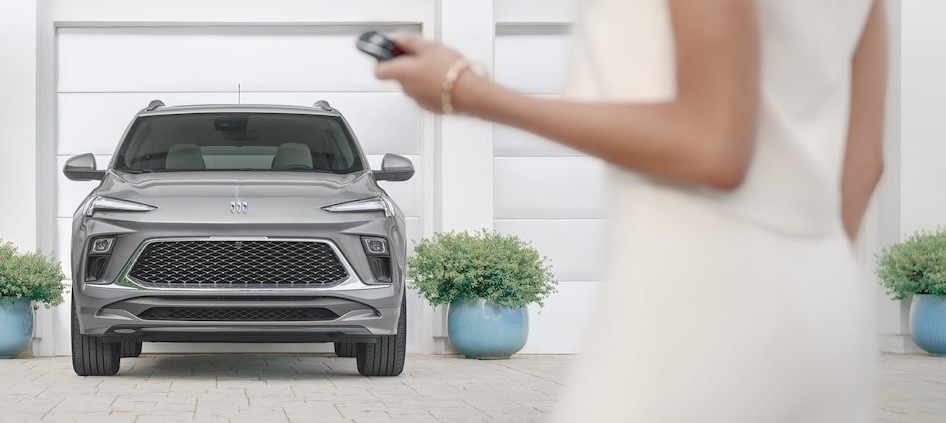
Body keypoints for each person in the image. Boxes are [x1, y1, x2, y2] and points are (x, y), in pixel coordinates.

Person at [375, 1, 887, 422]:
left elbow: (714, 146)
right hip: (830, 304)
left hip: (706, 304)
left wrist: (465, 91)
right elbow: (863, 165)